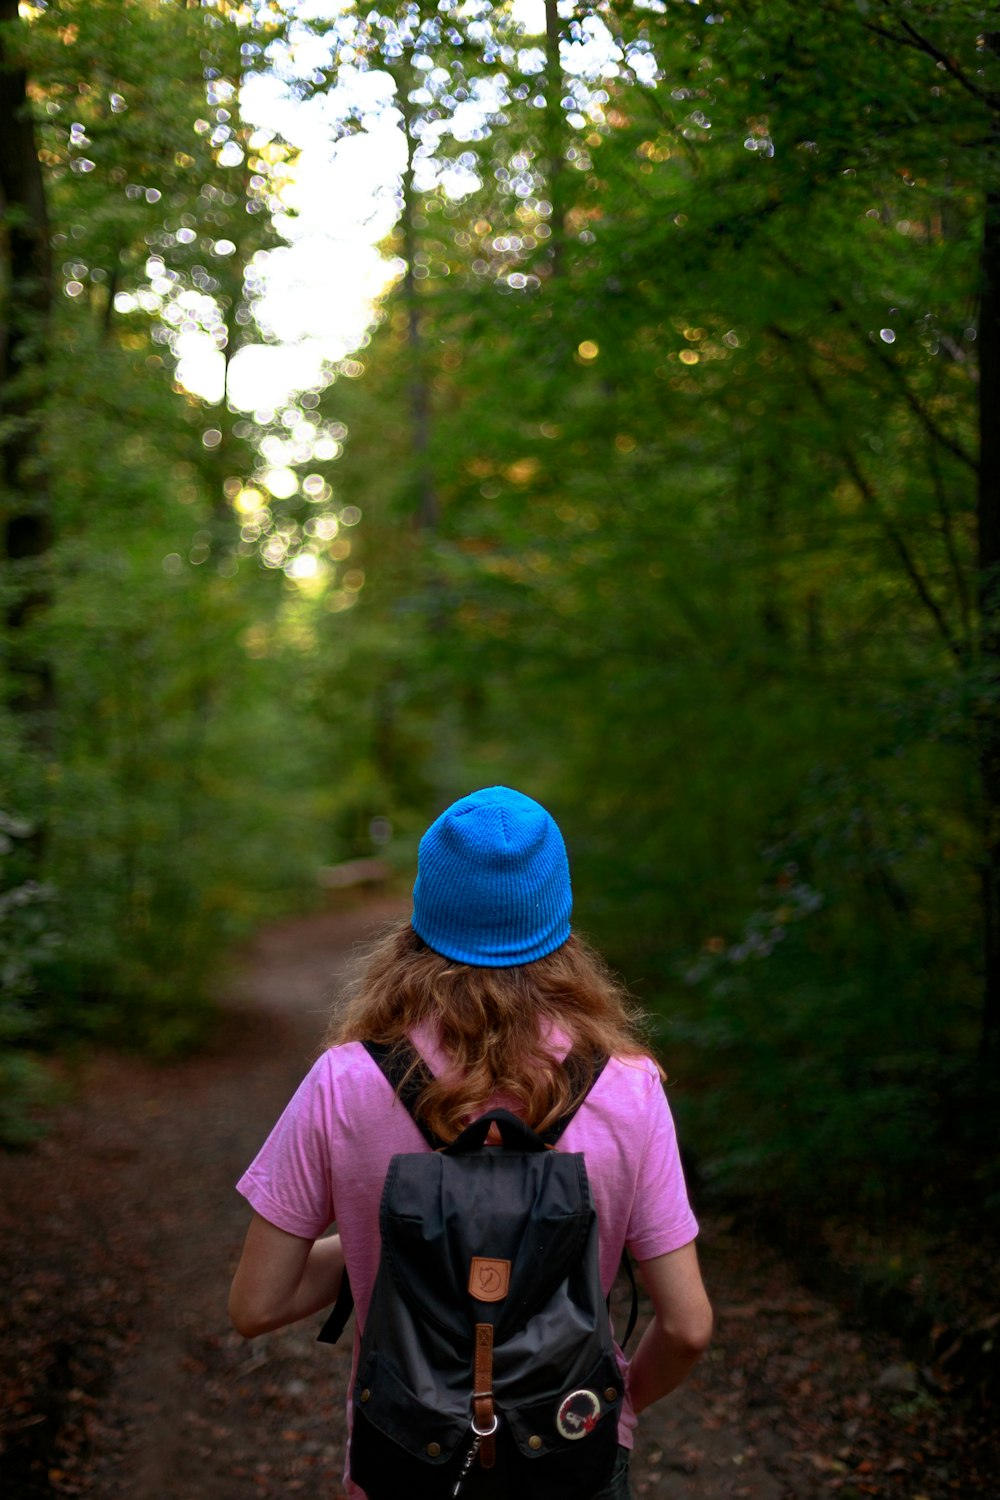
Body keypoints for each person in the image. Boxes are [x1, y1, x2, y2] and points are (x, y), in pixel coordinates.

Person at [229, 786, 713, 1500]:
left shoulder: (345, 1081)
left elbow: (256, 1305)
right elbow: (689, 1326)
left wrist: (380, 1242)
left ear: (422, 915)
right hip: (569, 1455)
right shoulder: (630, 1090)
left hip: (406, 1459)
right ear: (558, 917)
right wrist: (622, 1409)